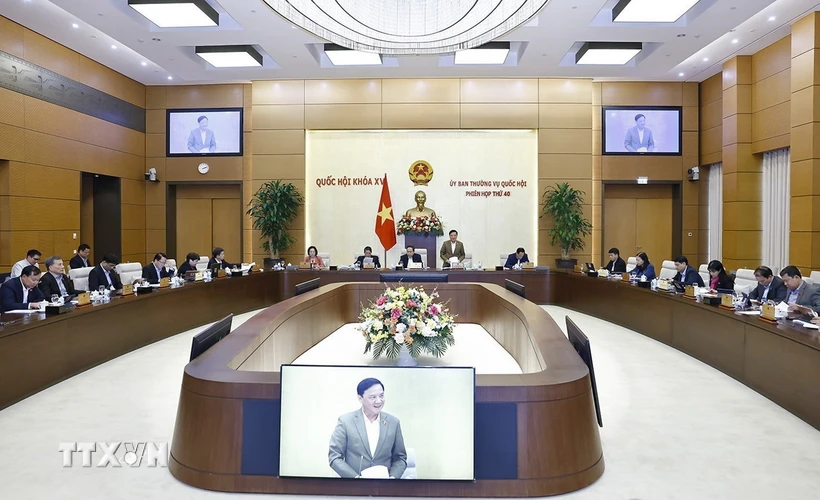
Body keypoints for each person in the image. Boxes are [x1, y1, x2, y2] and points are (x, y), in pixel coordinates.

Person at [328, 378, 407, 479]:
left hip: (384, 487)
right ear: (360, 398)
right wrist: (355, 479)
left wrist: (392, 478)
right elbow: (334, 457)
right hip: (354, 488)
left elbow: (400, 458)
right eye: (372, 397)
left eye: (381, 396)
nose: (379, 401)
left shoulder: (393, 422)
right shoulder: (346, 422)